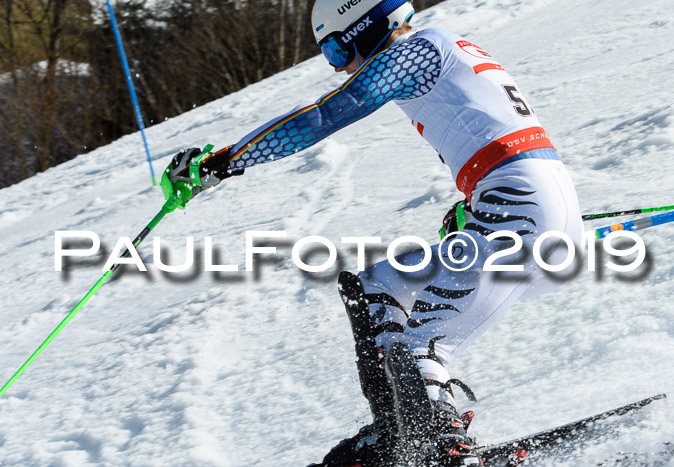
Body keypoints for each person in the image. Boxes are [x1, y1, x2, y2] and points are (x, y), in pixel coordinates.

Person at [163, 0, 583, 464]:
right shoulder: (443, 51)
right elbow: (493, 132)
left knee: (419, 343)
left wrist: (222, 162)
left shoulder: (419, 49)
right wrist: (473, 205)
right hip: (522, 201)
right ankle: (401, 426)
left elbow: (323, 117)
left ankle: (440, 442)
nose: (341, 68)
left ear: (364, 28)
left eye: (336, 52)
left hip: (520, 209)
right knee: (373, 285)